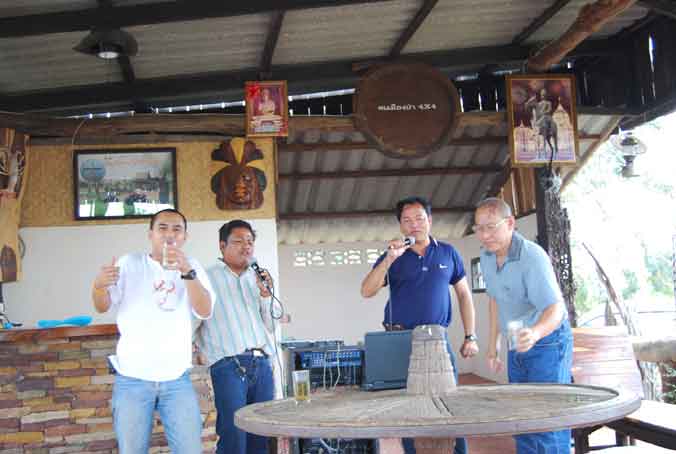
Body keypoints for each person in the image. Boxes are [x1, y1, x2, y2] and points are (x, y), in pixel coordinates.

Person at [361, 196, 478, 454]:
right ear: (400, 226)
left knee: (449, 404)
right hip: (400, 340)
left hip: (438, 339)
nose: (414, 224)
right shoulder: (393, 256)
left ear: (430, 220)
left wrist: (470, 336)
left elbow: (464, 294)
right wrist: (389, 259)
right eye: (407, 220)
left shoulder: (448, 252)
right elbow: (366, 291)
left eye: (419, 218)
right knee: (409, 409)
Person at [92, 208, 215, 454]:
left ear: (185, 237)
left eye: (177, 229)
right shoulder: (130, 263)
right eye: (162, 228)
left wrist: (186, 272)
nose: (170, 235)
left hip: (176, 378)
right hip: (132, 377)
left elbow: (205, 310)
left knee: (190, 450)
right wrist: (98, 286)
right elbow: (102, 305)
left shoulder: (192, 267)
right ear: (150, 234)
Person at [474, 197, 573, 454]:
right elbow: (495, 299)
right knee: (522, 417)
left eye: (491, 227)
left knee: (547, 420)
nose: (484, 235)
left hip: (548, 341)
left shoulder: (532, 257)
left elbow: (556, 308)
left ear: (510, 223)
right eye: (479, 228)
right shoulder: (486, 256)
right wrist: (493, 345)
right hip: (516, 340)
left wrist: (535, 333)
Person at [194, 220, 277, 454]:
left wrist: (266, 295)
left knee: (261, 436)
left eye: (250, 242)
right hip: (229, 365)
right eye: (239, 241)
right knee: (234, 436)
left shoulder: (258, 278)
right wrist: (196, 350)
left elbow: (271, 324)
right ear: (222, 246)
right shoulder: (205, 278)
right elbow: (193, 318)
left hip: (262, 364)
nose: (246, 247)